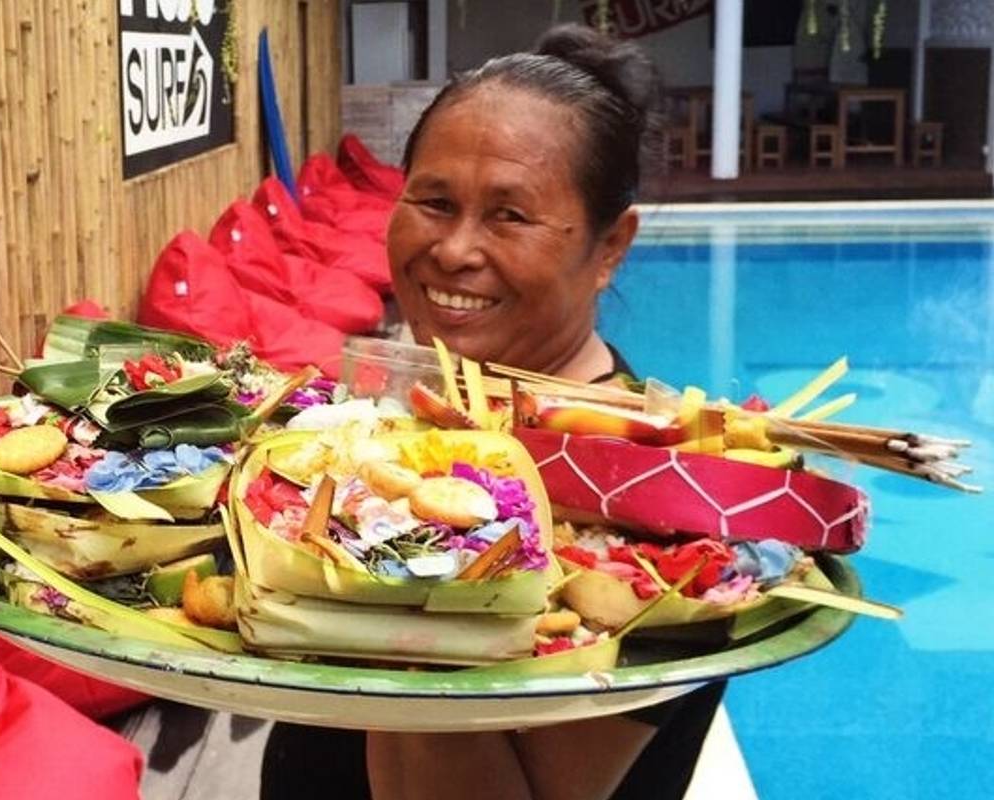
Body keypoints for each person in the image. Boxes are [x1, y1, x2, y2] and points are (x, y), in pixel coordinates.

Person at [260, 23, 725, 800]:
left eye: (509, 216)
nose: (452, 250)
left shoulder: (667, 511)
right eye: (433, 202)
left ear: (611, 248)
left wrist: (429, 538)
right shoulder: (381, 419)